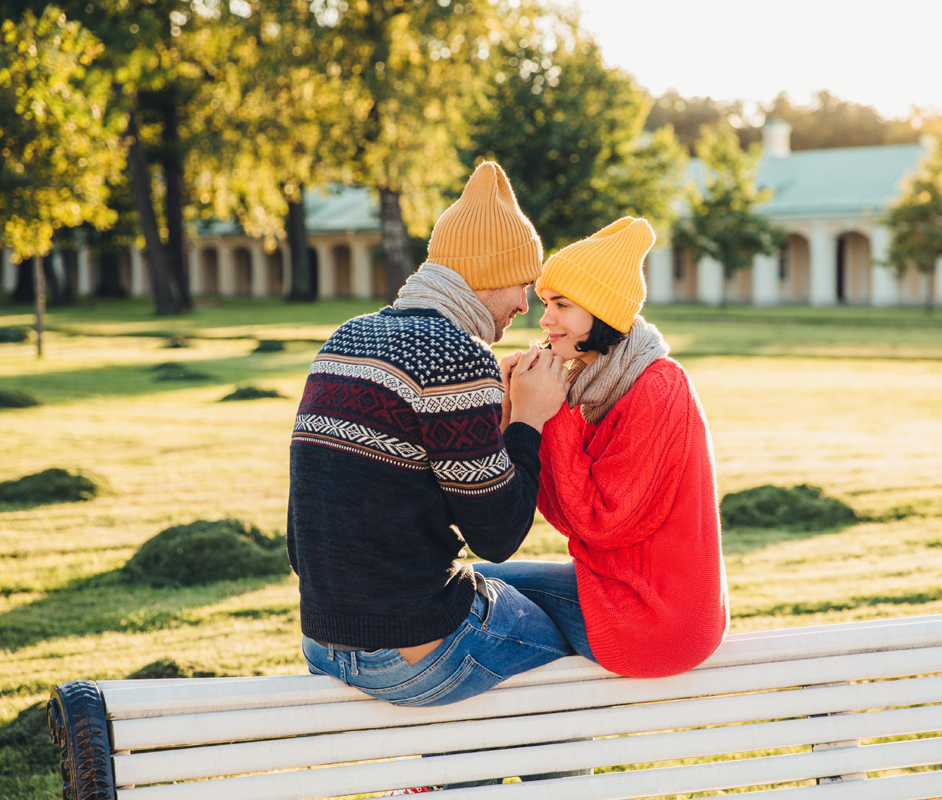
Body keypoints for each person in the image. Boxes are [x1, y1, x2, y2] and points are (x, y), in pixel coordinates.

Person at [288, 161, 576, 708]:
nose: (525, 304)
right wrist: (528, 421)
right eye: (522, 283)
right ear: (490, 274)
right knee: (568, 652)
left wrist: (501, 409)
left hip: (323, 643)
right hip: (410, 651)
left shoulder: (348, 336)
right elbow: (497, 539)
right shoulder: (456, 356)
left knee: (493, 677)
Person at [480, 217, 730, 679]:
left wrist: (545, 410)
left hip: (655, 620)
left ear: (602, 312)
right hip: (635, 595)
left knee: (473, 589)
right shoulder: (600, 387)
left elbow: (599, 522)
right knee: (481, 588)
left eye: (562, 305)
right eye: (545, 303)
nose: (545, 318)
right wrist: (514, 409)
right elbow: (563, 510)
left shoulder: (656, 386)